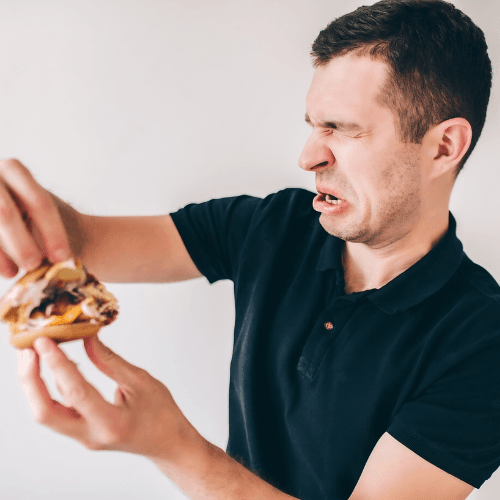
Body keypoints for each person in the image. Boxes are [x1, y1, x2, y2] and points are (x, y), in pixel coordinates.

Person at [6, 0, 499, 498]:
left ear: (444, 147)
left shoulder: (483, 343)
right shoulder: (277, 224)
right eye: (312, 124)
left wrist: (171, 446)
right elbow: (81, 242)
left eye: (342, 129)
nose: (308, 157)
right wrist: (20, 210)